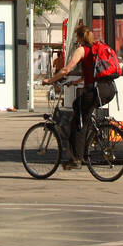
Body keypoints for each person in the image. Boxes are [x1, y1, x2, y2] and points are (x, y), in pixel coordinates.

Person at [45, 25, 118, 168]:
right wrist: (76, 82)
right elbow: (93, 73)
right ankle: (89, 140)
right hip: (108, 89)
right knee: (83, 115)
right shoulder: (95, 49)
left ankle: (76, 159)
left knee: (78, 118)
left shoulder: (82, 49)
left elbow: (67, 69)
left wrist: (50, 80)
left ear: (78, 37)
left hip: (95, 91)